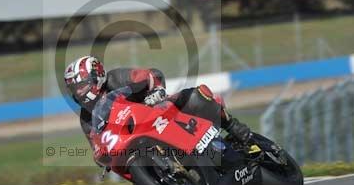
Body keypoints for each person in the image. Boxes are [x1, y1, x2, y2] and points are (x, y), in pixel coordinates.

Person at [63, 55, 252, 162]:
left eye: (82, 85)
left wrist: (157, 91)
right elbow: (97, 148)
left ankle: (233, 126)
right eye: (74, 89)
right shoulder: (86, 118)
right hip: (136, 143)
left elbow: (151, 74)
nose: (79, 92)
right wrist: (102, 156)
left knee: (195, 96)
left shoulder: (116, 78)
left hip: (158, 111)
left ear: (97, 77)